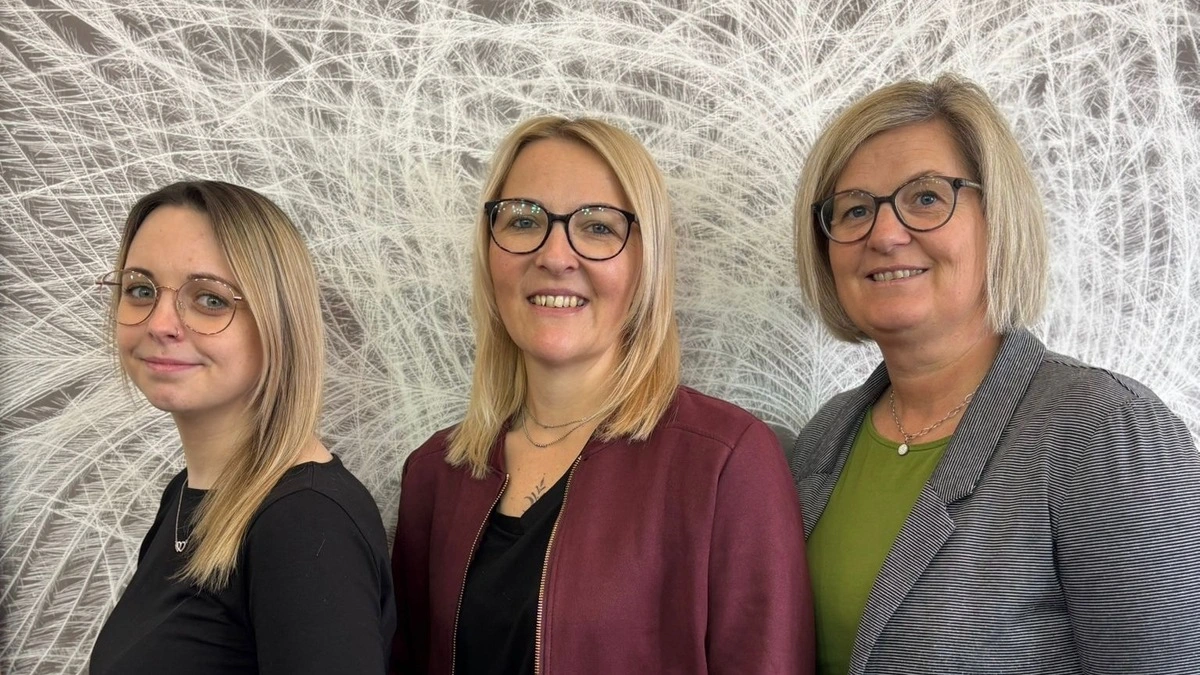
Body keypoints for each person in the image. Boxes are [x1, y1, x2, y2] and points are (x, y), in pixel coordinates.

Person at [788, 73, 1200, 674]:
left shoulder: (1105, 429)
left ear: (998, 217)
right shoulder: (823, 438)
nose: (884, 234)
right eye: (854, 210)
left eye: (926, 198)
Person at [391, 116, 813, 674]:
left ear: (646, 261)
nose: (555, 256)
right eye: (524, 220)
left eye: (596, 227)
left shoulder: (726, 463)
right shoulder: (434, 475)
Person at [89, 180, 396, 674]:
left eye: (210, 299)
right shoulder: (186, 496)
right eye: (140, 290)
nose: (160, 323)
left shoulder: (304, 524)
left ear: (279, 323)